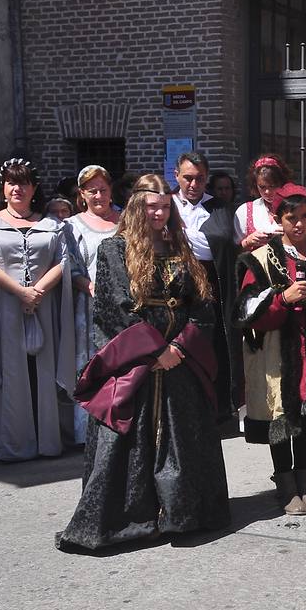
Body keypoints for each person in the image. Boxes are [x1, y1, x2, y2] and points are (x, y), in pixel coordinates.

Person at [57, 175, 230, 551]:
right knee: (127, 439)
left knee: (183, 436)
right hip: (136, 361)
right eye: (152, 206)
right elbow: (114, 309)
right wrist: (155, 352)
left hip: (180, 361)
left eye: (165, 206)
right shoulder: (114, 250)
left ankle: (182, 514)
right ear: (137, 207)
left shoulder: (179, 246)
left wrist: (180, 349)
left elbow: (202, 306)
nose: (159, 212)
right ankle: (131, 517)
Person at [238, 190, 306, 516]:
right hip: (277, 355)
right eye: (291, 218)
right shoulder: (260, 260)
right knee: (281, 417)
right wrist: (282, 299)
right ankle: (286, 486)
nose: (299, 224)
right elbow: (246, 312)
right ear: (278, 220)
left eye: (304, 216)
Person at [0, 158, 75, 462]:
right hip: (6, 308)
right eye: (12, 183)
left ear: (34, 188)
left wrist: (37, 291)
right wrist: (20, 292)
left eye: (24, 183)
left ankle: (47, 441)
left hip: (43, 306)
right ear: (4, 189)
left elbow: (63, 261)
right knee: (11, 370)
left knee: (42, 368)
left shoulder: (51, 225)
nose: (18, 188)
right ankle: (13, 443)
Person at [171, 151, 240, 421]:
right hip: (174, 286)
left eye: (200, 178)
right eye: (187, 178)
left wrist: (182, 237)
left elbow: (225, 244)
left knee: (212, 346)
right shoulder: (166, 205)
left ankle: (217, 407)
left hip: (212, 284)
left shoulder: (220, 208)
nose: (193, 184)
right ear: (176, 175)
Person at [66, 164, 122, 446]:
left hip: (122, 306)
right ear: (82, 194)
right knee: (89, 366)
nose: (99, 195)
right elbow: (72, 268)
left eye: (103, 189)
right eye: (92, 191)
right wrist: (91, 288)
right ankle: (87, 432)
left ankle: (117, 427)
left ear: (111, 190)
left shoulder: (124, 221)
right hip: (88, 307)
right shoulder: (72, 226)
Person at [236, 154, 291, 250]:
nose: (267, 192)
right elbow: (233, 251)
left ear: (281, 183)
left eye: (272, 186)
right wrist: (248, 241)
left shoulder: (293, 207)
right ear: (255, 184)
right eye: (262, 187)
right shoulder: (245, 211)